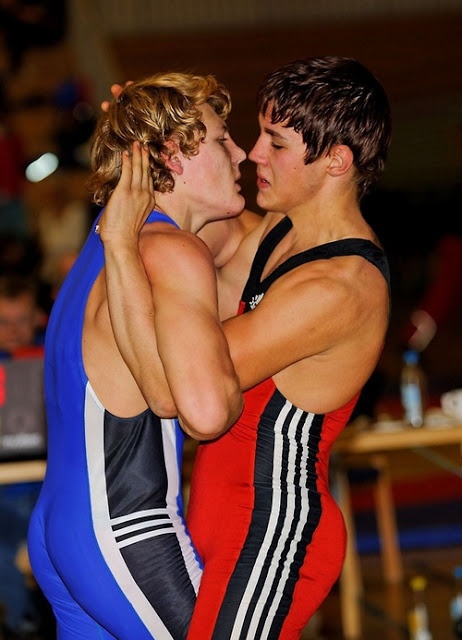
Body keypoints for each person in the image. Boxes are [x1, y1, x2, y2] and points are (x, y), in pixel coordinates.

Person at [101, 56, 392, 639]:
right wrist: (147, 129)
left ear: (336, 160)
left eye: (276, 143)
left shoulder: (339, 288)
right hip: (227, 520)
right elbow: (191, 210)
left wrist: (119, 249)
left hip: (274, 530)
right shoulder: (279, 232)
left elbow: (179, 392)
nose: (253, 154)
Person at [27, 72, 246, 640]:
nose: (241, 153)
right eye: (224, 140)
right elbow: (203, 412)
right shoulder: (169, 250)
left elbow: (251, 239)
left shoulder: (107, 238)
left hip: (63, 526)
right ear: (172, 154)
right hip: (125, 530)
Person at [0, 273, 46, 639]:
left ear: (38, 318)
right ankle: (23, 627)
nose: (14, 330)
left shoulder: (55, 356)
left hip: (48, 490)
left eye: (22, 320)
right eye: (3, 321)